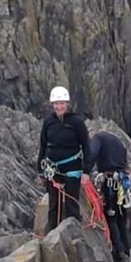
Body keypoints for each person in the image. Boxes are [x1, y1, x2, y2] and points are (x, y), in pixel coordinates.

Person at [37, 86, 91, 231]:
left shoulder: (77, 122)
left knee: (71, 203)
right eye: (56, 103)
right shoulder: (48, 121)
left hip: (72, 169)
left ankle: (74, 235)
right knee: (54, 205)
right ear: (52, 104)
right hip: (52, 169)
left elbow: (86, 146)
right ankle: (52, 235)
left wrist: (86, 171)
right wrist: (40, 172)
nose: (59, 106)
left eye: (61, 103)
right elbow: (43, 146)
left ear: (66, 103)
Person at [87, 131, 131, 262]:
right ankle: (126, 248)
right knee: (121, 216)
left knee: (110, 216)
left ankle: (119, 250)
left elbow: (92, 153)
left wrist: (85, 171)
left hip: (111, 180)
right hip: (123, 180)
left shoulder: (97, 138)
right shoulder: (116, 140)